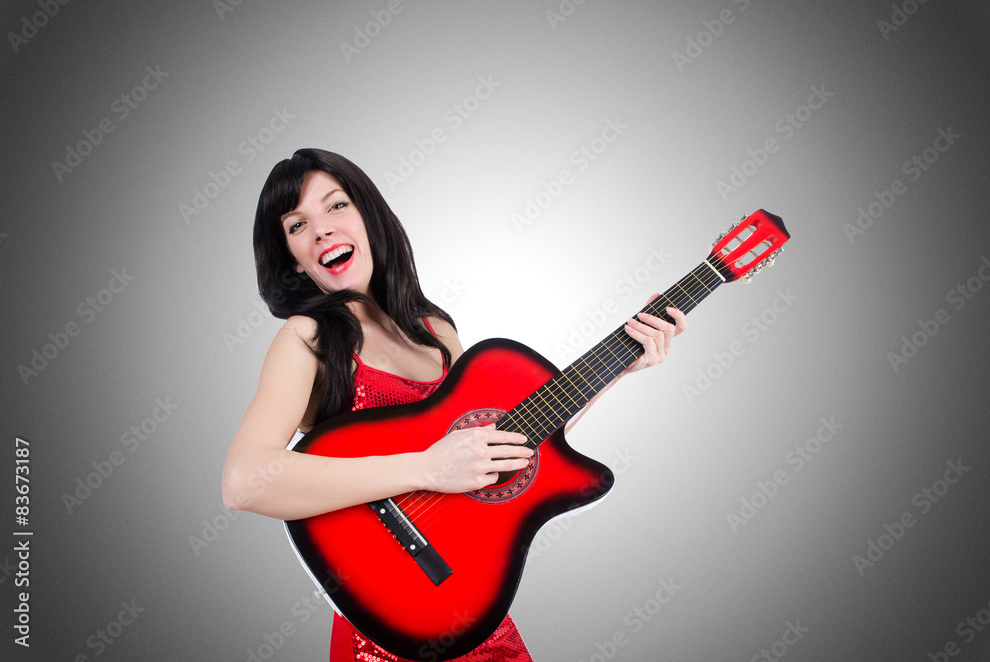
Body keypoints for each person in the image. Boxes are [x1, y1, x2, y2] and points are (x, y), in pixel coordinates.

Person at [221, 148, 687, 661]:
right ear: (292, 256)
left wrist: (618, 366)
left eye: (336, 207)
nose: (322, 231)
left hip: (474, 612)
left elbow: (510, 444)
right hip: (390, 630)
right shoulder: (308, 338)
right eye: (297, 225)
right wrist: (428, 467)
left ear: (368, 214)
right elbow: (244, 481)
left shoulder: (435, 332)